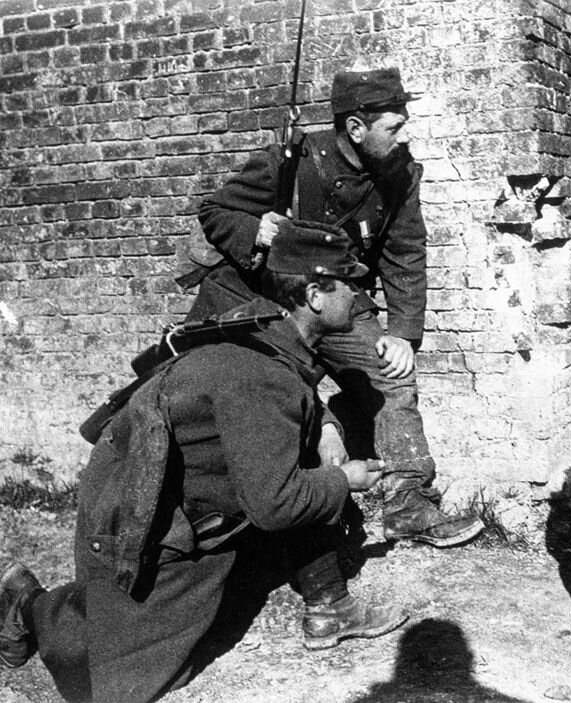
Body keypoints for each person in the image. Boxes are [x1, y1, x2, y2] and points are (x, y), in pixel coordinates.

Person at [0, 221, 408, 703]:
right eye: (349, 285)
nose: (359, 295)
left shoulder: (258, 323)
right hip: (132, 515)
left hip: (164, 494)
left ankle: (322, 604)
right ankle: (29, 603)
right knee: (124, 687)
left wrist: (326, 425)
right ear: (313, 295)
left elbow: (289, 390)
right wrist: (343, 479)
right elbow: (275, 504)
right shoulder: (258, 375)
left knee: (211, 611)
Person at [183, 66, 483, 548]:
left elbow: (404, 252)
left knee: (390, 372)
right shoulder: (289, 161)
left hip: (338, 298)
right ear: (356, 128)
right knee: (259, 392)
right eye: (394, 126)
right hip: (266, 297)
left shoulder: (399, 174)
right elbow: (216, 210)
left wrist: (403, 333)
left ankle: (407, 501)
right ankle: (282, 511)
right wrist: (253, 232)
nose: (404, 135)